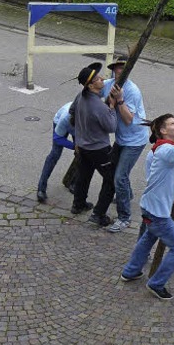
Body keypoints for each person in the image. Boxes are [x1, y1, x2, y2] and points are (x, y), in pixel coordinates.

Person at [120, 107, 174, 299]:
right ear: (162, 131)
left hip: (152, 206)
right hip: (157, 211)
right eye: (171, 124)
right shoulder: (166, 150)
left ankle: (131, 271)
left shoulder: (169, 147)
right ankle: (156, 283)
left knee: (148, 238)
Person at [101, 55, 148, 233]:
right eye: (117, 68)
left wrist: (119, 100)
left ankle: (124, 218)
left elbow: (128, 120)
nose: (119, 71)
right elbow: (98, 93)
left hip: (135, 140)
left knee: (120, 176)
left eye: (123, 67)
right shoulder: (108, 84)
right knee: (118, 171)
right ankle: (126, 194)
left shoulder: (132, 91)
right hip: (122, 138)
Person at [69, 63, 118, 227]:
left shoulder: (80, 97)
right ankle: (98, 214)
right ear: (91, 85)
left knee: (84, 176)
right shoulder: (98, 106)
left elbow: (72, 112)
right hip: (99, 149)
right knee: (112, 180)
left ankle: (78, 204)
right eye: (98, 78)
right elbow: (111, 127)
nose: (102, 78)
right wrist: (111, 107)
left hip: (83, 147)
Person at [36, 101, 79, 204]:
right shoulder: (65, 119)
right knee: (55, 154)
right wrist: (74, 146)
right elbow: (57, 138)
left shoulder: (88, 116)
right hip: (59, 122)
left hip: (77, 127)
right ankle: (41, 188)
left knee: (81, 155)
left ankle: (72, 182)